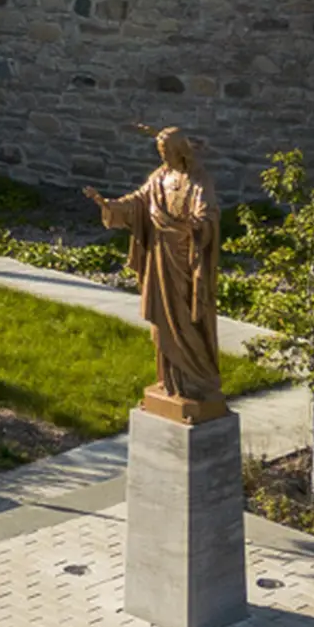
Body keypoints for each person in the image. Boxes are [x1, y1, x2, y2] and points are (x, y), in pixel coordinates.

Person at [89, 126, 226, 420]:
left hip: (186, 260)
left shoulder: (198, 180)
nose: (163, 155)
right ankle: (171, 382)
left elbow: (208, 214)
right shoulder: (159, 178)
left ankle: (198, 380)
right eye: (160, 152)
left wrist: (197, 225)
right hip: (159, 258)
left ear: (180, 150)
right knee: (163, 321)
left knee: (188, 316)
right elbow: (139, 201)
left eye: (167, 151)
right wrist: (112, 206)